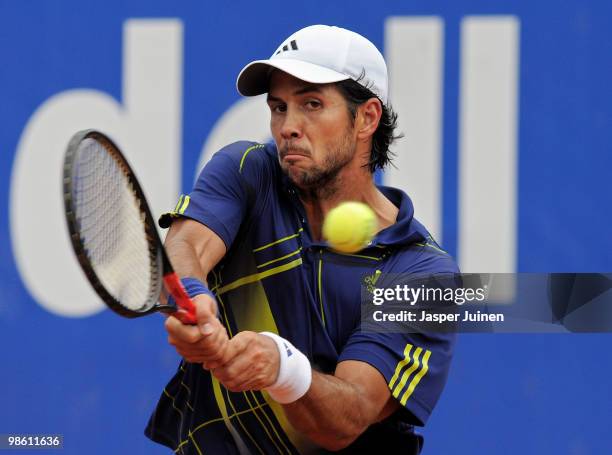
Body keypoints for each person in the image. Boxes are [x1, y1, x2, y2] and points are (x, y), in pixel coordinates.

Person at [145, 24, 458, 454]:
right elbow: (187, 247)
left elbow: (349, 417)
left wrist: (282, 369)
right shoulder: (247, 172)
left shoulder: (422, 272)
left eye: (312, 104)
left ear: (367, 117)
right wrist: (193, 296)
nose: (288, 127)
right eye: (278, 107)